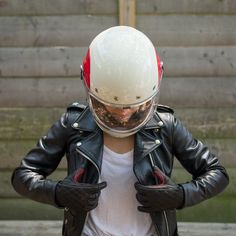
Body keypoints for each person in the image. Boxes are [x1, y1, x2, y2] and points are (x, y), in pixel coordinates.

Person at [11, 26, 229, 236]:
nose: (124, 113)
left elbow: (217, 174)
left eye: (134, 104)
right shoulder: (73, 123)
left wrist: (180, 196)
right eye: (113, 104)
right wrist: (58, 193)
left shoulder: (165, 125)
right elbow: (22, 176)